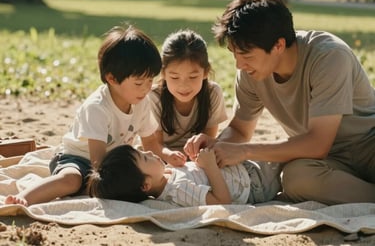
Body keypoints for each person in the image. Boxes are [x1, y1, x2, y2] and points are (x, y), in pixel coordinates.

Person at [184, 0, 375, 205]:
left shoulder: (329, 56)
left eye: (246, 55)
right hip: (327, 161)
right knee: (296, 179)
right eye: (234, 53)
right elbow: (239, 129)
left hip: (368, 145)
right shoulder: (250, 73)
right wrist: (216, 147)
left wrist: (245, 151)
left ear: (278, 45)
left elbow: (318, 142)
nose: (239, 64)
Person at [4, 24, 162, 206]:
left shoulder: (141, 101)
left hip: (115, 165)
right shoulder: (97, 108)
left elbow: (149, 140)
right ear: (112, 78)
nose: (147, 88)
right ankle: (23, 198)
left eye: (150, 80)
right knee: (71, 181)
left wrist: (165, 158)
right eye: (139, 82)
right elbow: (98, 163)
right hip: (79, 160)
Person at [87, 144, 281, 207]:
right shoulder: (177, 189)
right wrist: (210, 166)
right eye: (144, 158)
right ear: (145, 185)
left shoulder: (165, 177)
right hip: (255, 184)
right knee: (289, 157)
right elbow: (222, 201)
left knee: (284, 152)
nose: (149, 153)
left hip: (243, 170)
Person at [144, 29, 227, 167]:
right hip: (161, 158)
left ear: (205, 72)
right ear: (163, 73)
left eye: (193, 77)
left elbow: (208, 140)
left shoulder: (213, 93)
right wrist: (168, 155)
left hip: (196, 160)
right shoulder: (153, 98)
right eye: (174, 77)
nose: (183, 85)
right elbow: (152, 145)